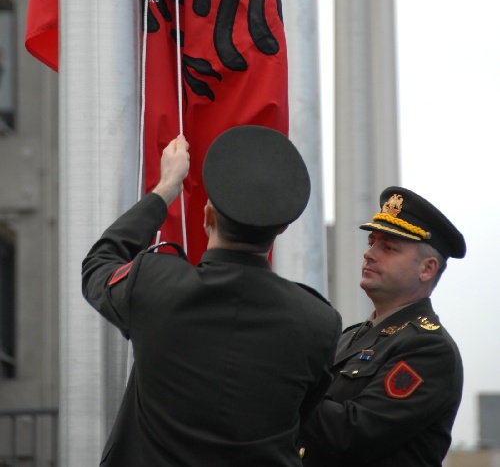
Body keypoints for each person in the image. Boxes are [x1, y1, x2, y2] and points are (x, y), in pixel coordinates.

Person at [82, 125, 342, 466]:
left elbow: (98, 265)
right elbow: (303, 414)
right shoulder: (320, 323)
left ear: (207, 217)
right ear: (281, 228)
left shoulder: (154, 283)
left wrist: (165, 189)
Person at [299, 186, 466, 467]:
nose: (370, 254)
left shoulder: (429, 349)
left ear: (427, 269)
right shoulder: (349, 337)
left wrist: (284, 380)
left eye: (388, 247)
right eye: (371, 242)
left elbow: (349, 434)